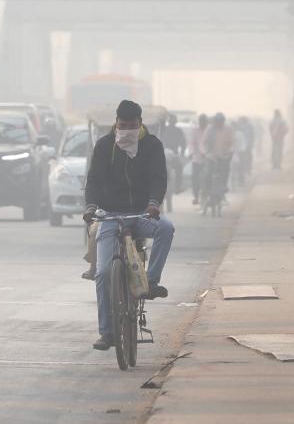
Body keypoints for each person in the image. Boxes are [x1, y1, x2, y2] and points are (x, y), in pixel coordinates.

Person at [83, 100, 175, 351]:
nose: (126, 131)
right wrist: (91, 207)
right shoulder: (104, 146)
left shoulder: (152, 146)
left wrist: (154, 203)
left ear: (140, 124)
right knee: (102, 274)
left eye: (131, 126)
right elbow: (93, 181)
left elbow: (159, 178)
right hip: (110, 215)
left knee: (166, 229)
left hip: (141, 214)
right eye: (122, 126)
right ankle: (107, 332)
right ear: (116, 124)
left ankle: (151, 283)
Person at [162, 113, 187, 192]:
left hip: (167, 155)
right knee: (179, 167)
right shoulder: (177, 130)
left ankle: (177, 187)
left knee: (178, 167)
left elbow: (183, 143)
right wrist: (182, 153)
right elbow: (183, 143)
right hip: (171, 155)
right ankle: (177, 187)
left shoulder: (164, 129)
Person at [190, 114, 208, 205]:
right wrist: (192, 152)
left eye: (204, 121)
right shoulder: (195, 130)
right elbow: (192, 143)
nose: (203, 123)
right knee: (195, 178)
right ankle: (196, 197)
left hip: (208, 159)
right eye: (201, 121)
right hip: (197, 158)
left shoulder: (209, 130)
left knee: (210, 177)